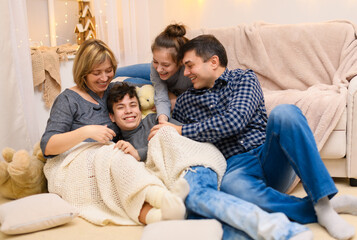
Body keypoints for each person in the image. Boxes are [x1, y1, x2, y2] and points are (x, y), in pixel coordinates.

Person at [149, 34, 357, 240]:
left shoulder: (243, 78)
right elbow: (171, 138)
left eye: (189, 65)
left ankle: (322, 202)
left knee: (285, 113)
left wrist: (182, 130)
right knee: (231, 189)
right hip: (235, 166)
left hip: (268, 153)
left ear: (213, 62)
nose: (185, 73)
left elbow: (235, 120)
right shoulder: (186, 102)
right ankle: (322, 208)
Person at [107, 83, 313, 240]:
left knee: (196, 197)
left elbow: (182, 136)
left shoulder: (154, 121)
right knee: (197, 218)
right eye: (121, 108)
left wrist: (140, 153)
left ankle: (283, 229)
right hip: (172, 180)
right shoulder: (118, 147)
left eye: (133, 105)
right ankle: (273, 229)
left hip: (194, 162)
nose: (129, 111)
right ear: (112, 116)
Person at [40, 38, 188, 225]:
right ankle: (165, 198)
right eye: (96, 73)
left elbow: (144, 83)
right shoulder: (68, 99)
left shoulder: (112, 91)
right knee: (118, 158)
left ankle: (158, 216)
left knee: (132, 166)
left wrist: (167, 99)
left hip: (109, 161)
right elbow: (47, 146)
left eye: (109, 71)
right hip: (73, 163)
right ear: (83, 72)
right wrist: (86, 132)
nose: (104, 78)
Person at [115, 23, 192, 123]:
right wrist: (162, 120)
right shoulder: (156, 68)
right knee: (117, 73)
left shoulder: (190, 72)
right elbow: (161, 93)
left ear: (181, 61)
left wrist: (175, 102)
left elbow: (164, 98)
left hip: (168, 81)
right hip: (155, 74)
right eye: (155, 61)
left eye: (165, 64)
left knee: (130, 82)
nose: (159, 68)